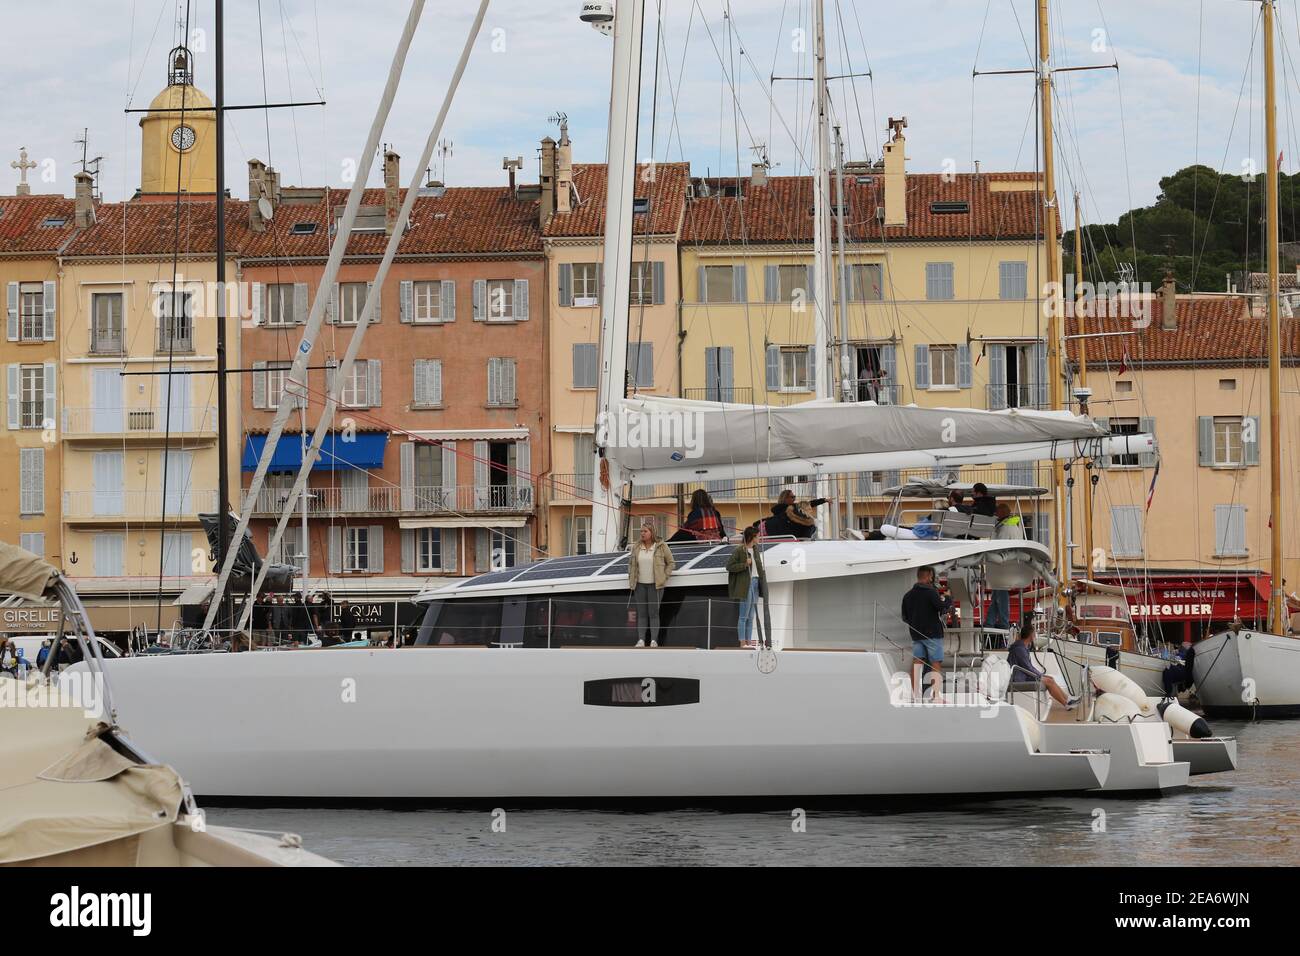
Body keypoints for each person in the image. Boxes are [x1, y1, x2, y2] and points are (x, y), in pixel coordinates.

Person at [901, 566, 953, 700]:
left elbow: (904, 617)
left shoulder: (908, 595)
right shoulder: (931, 592)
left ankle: (914, 695)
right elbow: (942, 607)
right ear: (929, 575)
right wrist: (947, 598)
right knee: (935, 663)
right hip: (933, 634)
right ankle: (936, 696)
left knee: (917, 662)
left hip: (916, 634)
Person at [1007, 623, 1079, 707]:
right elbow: (1028, 668)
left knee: (1050, 678)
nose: (1035, 635)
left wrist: (1041, 676)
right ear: (1031, 635)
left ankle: (1068, 699)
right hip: (1019, 678)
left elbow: (1028, 667)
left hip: (1023, 675)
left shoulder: (1022, 647)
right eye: (1034, 633)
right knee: (1049, 681)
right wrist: (1040, 676)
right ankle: (1066, 704)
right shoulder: (1020, 649)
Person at [627, 523, 675, 648]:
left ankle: (654, 640)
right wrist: (631, 578)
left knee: (654, 613)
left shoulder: (661, 546)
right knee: (642, 613)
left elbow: (671, 563)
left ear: (652, 533)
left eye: (645, 531)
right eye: (641, 531)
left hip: (656, 585)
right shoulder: (636, 546)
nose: (642, 533)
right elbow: (630, 564)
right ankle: (641, 640)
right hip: (639, 585)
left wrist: (664, 577)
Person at [986, 503, 1024, 631]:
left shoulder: (1005, 527)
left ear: (1001, 513)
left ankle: (1003, 624)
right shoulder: (1014, 526)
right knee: (997, 596)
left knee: (1000, 597)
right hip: (1011, 565)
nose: (995, 515)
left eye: (997, 512)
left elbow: (998, 546)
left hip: (1003, 566)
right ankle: (990, 622)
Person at [727, 527, 766, 647]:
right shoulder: (740, 550)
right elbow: (729, 566)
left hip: (755, 583)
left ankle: (748, 642)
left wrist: (763, 584)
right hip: (746, 585)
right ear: (752, 537)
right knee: (743, 616)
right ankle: (742, 642)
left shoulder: (756, 549)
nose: (759, 538)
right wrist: (745, 564)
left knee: (751, 616)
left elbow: (759, 568)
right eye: (757, 536)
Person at [762, 489, 827, 539]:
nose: (794, 499)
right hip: (771, 532)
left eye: (794, 497)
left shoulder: (780, 509)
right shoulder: (790, 509)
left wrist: (823, 500)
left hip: (768, 529)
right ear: (785, 498)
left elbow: (807, 504)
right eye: (792, 497)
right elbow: (807, 504)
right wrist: (823, 500)